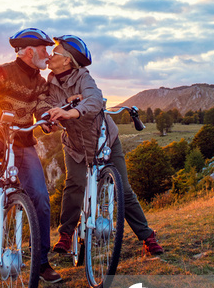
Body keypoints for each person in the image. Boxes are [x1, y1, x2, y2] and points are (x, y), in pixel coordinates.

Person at [45, 34, 164, 258]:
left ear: (68, 60)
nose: (51, 56)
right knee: (75, 184)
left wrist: (71, 111)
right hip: (75, 147)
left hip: (104, 141)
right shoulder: (50, 83)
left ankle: (147, 236)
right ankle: (66, 234)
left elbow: (94, 100)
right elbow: (47, 108)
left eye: (56, 53)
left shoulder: (84, 78)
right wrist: (48, 123)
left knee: (124, 190)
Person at [0, 28, 62, 283]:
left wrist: (47, 118)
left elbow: (42, 107)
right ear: (29, 52)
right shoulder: (2, 72)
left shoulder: (40, 82)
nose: (47, 54)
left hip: (22, 140)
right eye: (43, 49)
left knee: (40, 196)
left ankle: (41, 262)